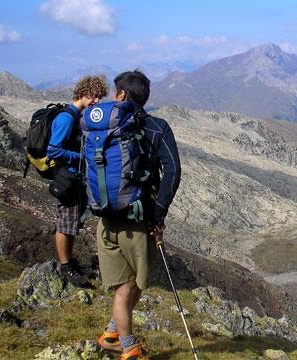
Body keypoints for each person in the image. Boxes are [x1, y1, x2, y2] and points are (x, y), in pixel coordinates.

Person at [95, 70, 181, 360]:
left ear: (121, 94)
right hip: (138, 221)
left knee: (123, 285)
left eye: (113, 92)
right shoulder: (157, 127)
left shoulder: (100, 128)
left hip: (105, 218)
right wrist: (158, 214)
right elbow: (172, 171)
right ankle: (128, 347)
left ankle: (112, 330)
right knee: (132, 284)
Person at [47, 75, 108, 286]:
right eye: (95, 97)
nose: (97, 102)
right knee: (65, 224)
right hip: (68, 178)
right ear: (84, 93)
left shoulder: (77, 116)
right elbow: (53, 150)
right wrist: (81, 157)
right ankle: (65, 267)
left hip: (76, 177)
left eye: (100, 97)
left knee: (72, 223)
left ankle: (69, 262)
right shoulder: (66, 118)